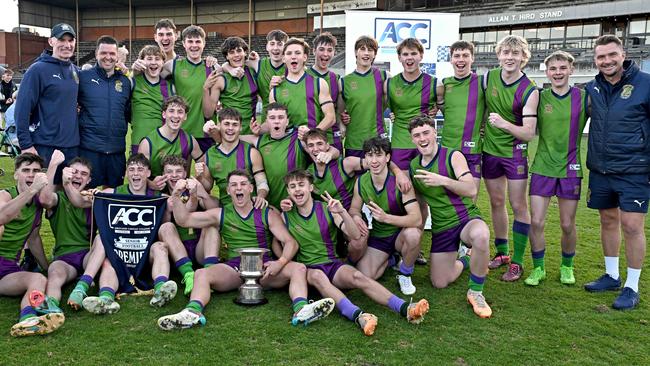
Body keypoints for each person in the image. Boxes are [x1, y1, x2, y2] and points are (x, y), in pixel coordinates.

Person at [157, 170, 335, 330]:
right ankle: (192, 312)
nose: (238, 188)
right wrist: (177, 194)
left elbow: (291, 243)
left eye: (242, 184)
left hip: (265, 269)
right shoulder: (222, 213)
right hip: (236, 268)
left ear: (251, 188)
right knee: (201, 274)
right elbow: (184, 220)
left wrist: (279, 263)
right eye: (233, 185)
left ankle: (301, 309)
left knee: (299, 268)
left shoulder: (267, 213)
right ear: (228, 191)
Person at [280, 169, 429, 336]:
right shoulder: (285, 215)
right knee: (318, 277)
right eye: (292, 186)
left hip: (332, 264)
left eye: (301, 185)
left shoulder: (326, 208)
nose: (297, 190)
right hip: (308, 270)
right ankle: (359, 316)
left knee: (358, 277)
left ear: (311, 187)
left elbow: (355, 235)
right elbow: (281, 243)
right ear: (288, 191)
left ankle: (406, 308)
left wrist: (342, 212)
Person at [583, 35, 650, 310]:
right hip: (601, 168)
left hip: (635, 169)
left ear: (623, 54)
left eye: (612, 55)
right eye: (601, 57)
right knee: (608, 221)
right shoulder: (592, 87)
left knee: (632, 226)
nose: (607, 61)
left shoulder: (645, 83)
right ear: (595, 60)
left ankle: (632, 286)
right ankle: (611, 275)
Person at [80, 154, 193, 313]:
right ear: (126, 173)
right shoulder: (111, 193)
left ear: (148, 173)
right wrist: (91, 195)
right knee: (107, 261)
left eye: (140, 169)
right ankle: (106, 299)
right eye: (131, 169)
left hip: (145, 255)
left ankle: (161, 290)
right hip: (119, 252)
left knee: (161, 247)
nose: (135, 173)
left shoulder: (159, 198)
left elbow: (181, 212)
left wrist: (187, 193)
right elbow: (82, 199)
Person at [409, 116, 492, 318]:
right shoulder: (413, 166)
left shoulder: (452, 156)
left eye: (426, 132)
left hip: (465, 219)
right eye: (417, 135)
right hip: (441, 227)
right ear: (412, 140)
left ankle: (476, 292)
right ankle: (466, 259)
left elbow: (471, 189)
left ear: (435, 132)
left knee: (481, 235)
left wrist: (443, 180)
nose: (422, 138)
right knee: (439, 282)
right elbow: (421, 206)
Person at [525, 51, 587, 287]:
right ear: (546, 71)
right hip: (542, 167)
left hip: (571, 169)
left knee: (567, 224)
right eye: (553, 68)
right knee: (537, 222)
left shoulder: (584, 97)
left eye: (562, 68)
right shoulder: (539, 98)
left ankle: (566, 266)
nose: (558, 72)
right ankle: (538, 268)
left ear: (571, 69)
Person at [482, 35, 538, 281]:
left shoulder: (530, 89)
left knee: (518, 206)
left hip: (514, 154)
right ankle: (502, 252)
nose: (510, 57)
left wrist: (503, 124)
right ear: (499, 55)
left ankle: (517, 262)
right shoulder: (488, 78)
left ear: (523, 58)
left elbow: (528, 133)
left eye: (515, 54)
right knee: (496, 202)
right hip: (490, 151)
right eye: (506, 52)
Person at [0, 153, 65, 336]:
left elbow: (34, 239)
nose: (30, 175)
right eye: (25, 170)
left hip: (7, 269)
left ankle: (28, 320)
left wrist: (46, 267)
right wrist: (30, 191)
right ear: (15, 174)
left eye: (35, 171)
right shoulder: (4, 195)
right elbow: (2, 217)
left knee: (39, 280)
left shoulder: (36, 206)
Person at [349, 137, 422, 295]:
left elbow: (416, 219)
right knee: (366, 276)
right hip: (379, 236)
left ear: (387, 157)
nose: (374, 161)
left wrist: (386, 218)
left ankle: (405, 273)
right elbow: (354, 208)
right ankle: (392, 259)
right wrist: (355, 217)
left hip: (399, 235)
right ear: (365, 158)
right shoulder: (361, 181)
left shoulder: (401, 182)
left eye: (379, 155)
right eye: (370, 155)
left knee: (413, 235)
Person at [15, 23, 79, 183]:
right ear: (51, 42)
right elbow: (21, 110)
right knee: (40, 196)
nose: (67, 45)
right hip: (44, 146)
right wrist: (26, 145)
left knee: (62, 199)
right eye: (61, 40)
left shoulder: (75, 71)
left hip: (71, 147)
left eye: (70, 40)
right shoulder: (37, 70)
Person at [36, 150, 97, 313]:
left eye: (84, 174)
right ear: (67, 172)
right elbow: (44, 199)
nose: (78, 176)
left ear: (89, 180)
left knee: (102, 245)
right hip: (64, 256)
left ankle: (81, 287)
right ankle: (51, 307)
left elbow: (81, 200)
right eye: (74, 171)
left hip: (88, 256)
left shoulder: (90, 198)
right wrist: (54, 165)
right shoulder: (58, 197)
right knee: (55, 273)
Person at [78, 35, 132, 189]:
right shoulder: (83, 78)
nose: (108, 57)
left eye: (112, 54)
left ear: (117, 56)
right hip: (90, 151)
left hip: (116, 152)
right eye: (103, 53)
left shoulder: (125, 82)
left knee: (112, 200)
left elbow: (128, 113)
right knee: (86, 198)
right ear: (96, 54)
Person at [435, 41, 485, 199]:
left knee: (471, 200)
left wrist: (483, 124)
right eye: (456, 56)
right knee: (447, 200)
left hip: (472, 151)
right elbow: (436, 110)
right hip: (448, 150)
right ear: (451, 59)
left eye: (465, 55)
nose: (461, 59)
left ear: (472, 59)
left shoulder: (483, 82)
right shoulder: (444, 84)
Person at [269, 38, 336, 146]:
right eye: (289, 53)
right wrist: (258, 130)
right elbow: (272, 123)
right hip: (287, 146)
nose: (293, 56)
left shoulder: (319, 83)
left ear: (304, 57)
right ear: (284, 58)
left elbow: (330, 117)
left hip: (313, 145)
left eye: (297, 53)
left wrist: (311, 134)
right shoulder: (275, 91)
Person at [198, 108, 268, 207]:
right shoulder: (210, 154)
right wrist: (200, 176)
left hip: (250, 206)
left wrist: (261, 196)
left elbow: (261, 182)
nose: (230, 128)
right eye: (226, 124)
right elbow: (207, 186)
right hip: (225, 207)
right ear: (219, 126)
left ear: (240, 128)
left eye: (235, 124)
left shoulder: (251, 153)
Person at [386, 38, 437, 171]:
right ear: (399, 57)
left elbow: (448, 109)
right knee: (402, 186)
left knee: (425, 187)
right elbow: (379, 108)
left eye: (413, 53)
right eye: (405, 54)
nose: (410, 58)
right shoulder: (390, 84)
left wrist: (436, 108)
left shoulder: (435, 84)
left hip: (424, 142)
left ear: (421, 56)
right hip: (400, 142)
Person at [339, 36, 389, 158]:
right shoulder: (344, 82)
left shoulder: (384, 76)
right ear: (356, 52)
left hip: (377, 138)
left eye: (370, 50)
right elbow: (339, 112)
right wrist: (342, 122)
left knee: (378, 176)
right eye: (362, 49)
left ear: (375, 54)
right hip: (354, 142)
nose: (366, 53)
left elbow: (399, 101)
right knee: (355, 177)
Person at [138, 96, 203, 183]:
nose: (176, 116)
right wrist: (152, 185)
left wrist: (196, 177)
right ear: (164, 114)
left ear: (185, 116)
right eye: (171, 111)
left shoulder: (189, 140)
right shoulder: (147, 143)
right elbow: (138, 174)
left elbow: (204, 165)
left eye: (180, 112)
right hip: (154, 192)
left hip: (179, 190)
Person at [203, 37, 258, 135]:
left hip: (251, 134)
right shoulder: (220, 79)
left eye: (239, 51)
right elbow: (208, 113)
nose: (236, 55)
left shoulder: (253, 71)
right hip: (229, 135)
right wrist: (206, 89)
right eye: (231, 52)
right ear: (227, 56)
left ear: (245, 52)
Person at [130, 45, 173, 154]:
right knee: (138, 170)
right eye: (149, 59)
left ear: (163, 62)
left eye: (157, 59)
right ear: (141, 62)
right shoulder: (133, 82)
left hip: (161, 140)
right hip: (138, 139)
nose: (153, 62)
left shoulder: (169, 86)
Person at [306, 32, 343, 151]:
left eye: (329, 50)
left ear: (334, 53)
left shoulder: (336, 78)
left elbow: (340, 109)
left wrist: (343, 119)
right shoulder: (303, 76)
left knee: (335, 169)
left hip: (332, 137)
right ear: (313, 51)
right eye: (321, 49)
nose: (325, 54)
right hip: (309, 138)